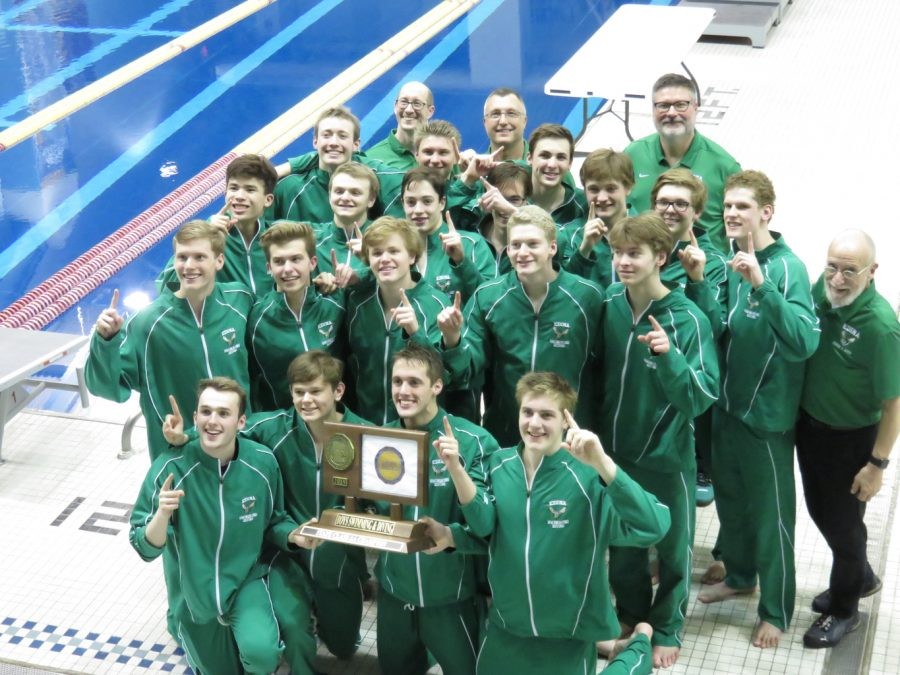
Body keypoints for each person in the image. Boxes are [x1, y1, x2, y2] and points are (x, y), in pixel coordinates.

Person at [438, 371, 670, 674]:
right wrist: (450, 535)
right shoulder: (498, 465)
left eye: (546, 415)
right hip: (506, 626)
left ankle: (639, 642)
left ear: (565, 420)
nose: (534, 423)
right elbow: (489, 532)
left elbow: (654, 525)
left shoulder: (588, 476)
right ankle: (610, 645)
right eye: (527, 412)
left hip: (568, 635)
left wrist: (603, 463)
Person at [164, 351, 372, 669]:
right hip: (286, 553)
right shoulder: (274, 429)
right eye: (299, 392)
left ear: (338, 391)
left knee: (343, 647)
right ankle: (286, 623)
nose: (306, 400)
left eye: (315, 391)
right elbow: (223, 432)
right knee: (290, 624)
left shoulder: (364, 436)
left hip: (337, 561)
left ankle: (319, 615)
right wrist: (185, 436)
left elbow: (384, 497)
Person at [691, 170, 820, 648]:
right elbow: (721, 327)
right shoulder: (731, 260)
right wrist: (700, 280)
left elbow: (803, 341)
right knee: (731, 504)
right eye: (727, 206)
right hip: (727, 407)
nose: (731, 213)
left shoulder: (788, 268)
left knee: (771, 518)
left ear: (766, 212)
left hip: (765, 417)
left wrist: (762, 285)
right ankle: (741, 575)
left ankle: (777, 610)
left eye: (742, 206)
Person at [130, 377, 318, 675]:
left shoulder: (262, 463)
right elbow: (144, 547)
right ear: (195, 418)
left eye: (223, 413)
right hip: (195, 594)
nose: (213, 421)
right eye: (206, 412)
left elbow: (274, 521)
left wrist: (294, 535)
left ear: (241, 421)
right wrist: (162, 514)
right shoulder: (171, 468)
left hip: (245, 581)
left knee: (263, 656)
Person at [598, 213, 719, 668]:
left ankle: (667, 625)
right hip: (616, 453)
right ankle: (632, 614)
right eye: (618, 253)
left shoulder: (687, 319)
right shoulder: (611, 303)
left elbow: (701, 396)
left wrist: (670, 359)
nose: (624, 262)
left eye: (635, 253)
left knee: (672, 545)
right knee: (624, 543)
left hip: (666, 454)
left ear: (661, 258)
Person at [795, 230, 899, 648]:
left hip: (852, 440)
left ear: (872, 272)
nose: (837, 280)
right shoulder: (823, 292)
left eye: (850, 271)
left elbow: (893, 404)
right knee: (822, 512)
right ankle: (862, 578)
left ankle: (844, 610)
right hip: (812, 428)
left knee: (844, 528)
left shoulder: (881, 327)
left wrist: (876, 465)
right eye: (832, 268)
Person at [375, 343, 500, 675]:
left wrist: (456, 468)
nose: (403, 391)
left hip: (450, 596)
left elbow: (486, 525)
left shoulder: (473, 441)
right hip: (395, 592)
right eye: (397, 381)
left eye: (414, 382)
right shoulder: (380, 438)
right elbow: (369, 507)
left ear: (437, 386)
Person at [86, 220, 253, 461]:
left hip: (240, 448)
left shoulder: (240, 300)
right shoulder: (147, 323)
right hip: (179, 455)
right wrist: (105, 341)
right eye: (182, 257)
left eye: (199, 257)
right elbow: (108, 387)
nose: (189, 266)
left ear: (219, 261)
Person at [439, 205, 605, 445]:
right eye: (515, 245)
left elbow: (604, 367)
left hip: (569, 437)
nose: (522, 252)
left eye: (533, 244)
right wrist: (452, 339)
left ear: (552, 247)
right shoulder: (489, 297)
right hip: (508, 434)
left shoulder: (588, 297)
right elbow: (465, 370)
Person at [652, 167, 728, 508]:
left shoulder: (714, 263)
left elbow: (716, 329)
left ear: (697, 213)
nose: (670, 210)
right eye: (664, 202)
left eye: (681, 204)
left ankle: (701, 467)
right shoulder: (640, 248)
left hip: (686, 374)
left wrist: (697, 281)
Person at [346, 216, 447, 423]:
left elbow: (447, 373)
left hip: (417, 427)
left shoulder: (435, 303)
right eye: (377, 253)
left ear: (411, 256)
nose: (384, 259)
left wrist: (416, 333)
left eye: (393, 251)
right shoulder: (357, 302)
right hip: (366, 423)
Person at [625, 73, 740, 253]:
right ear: (653, 109)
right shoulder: (633, 154)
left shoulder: (724, 166)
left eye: (681, 105)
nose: (671, 113)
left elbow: (745, 229)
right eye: (663, 105)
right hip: (643, 264)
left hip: (705, 268)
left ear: (696, 107)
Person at [247, 221, 347, 410]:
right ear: (269, 267)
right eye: (279, 261)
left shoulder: (335, 302)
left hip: (337, 419)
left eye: (296, 259)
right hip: (287, 423)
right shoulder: (256, 320)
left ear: (312, 262)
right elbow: (251, 379)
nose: (287, 269)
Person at [157, 154, 278, 296]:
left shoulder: (278, 237)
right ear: (225, 193)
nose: (239, 196)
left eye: (250, 189)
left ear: (268, 200)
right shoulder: (210, 235)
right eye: (234, 188)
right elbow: (167, 288)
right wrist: (204, 237)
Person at [272, 106, 404, 223]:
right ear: (315, 142)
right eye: (327, 135)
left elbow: (411, 183)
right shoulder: (289, 189)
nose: (334, 142)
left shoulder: (377, 175)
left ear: (356, 144)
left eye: (342, 136)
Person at [401, 167, 495, 302]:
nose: (418, 210)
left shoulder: (472, 244)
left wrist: (462, 261)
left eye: (427, 201)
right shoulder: (395, 250)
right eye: (411, 202)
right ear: (402, 203)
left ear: (442, 202)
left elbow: (491, 300)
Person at [563, 148, 635, 288]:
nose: (602, 198)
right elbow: (564, 288)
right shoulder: (568, 235)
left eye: (611, 188)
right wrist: (585, 249)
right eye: (594, 189)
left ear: (628, 187)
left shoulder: (648, 231)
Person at [311, 161, 378, 285]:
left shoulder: (387, 239)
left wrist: (373, 258)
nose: (345, 197)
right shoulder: (311, 239)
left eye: (355, 192)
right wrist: (316, 286)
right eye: (339, 191)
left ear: (371, 199)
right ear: (329, 196)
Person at [366, 81, 435, 170]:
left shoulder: (444, 156)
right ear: (395, 106)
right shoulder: (372, 159)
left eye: (417, 104)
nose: (409, 110)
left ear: (430, 111)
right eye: (404, 102)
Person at [482, 87, 528, 160]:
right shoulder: (473, 166)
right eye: (495, 114)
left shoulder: (542, 164)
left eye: (511, 113)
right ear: (485, 122)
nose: (503, 121)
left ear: (524, 121)